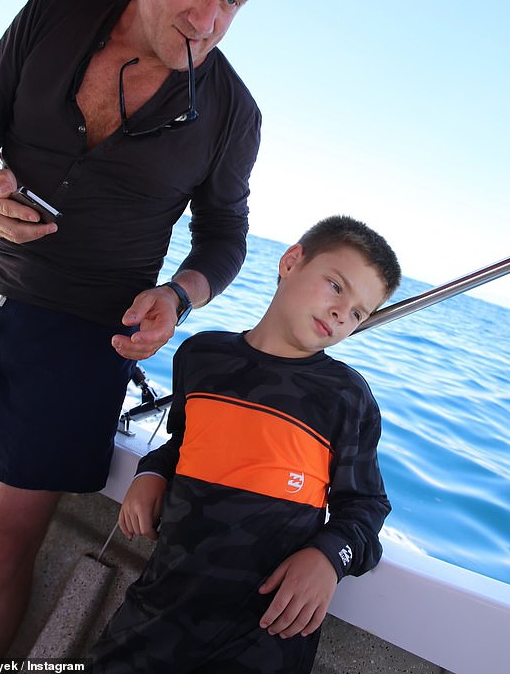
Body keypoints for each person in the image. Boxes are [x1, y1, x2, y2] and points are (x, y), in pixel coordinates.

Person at [0, 0, 268, 659]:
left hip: (85, 343)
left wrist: (178, 297)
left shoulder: (235, 115)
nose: (208, 20)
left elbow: (224, 238)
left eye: (233, 1)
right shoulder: (52, 11)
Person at [89, 214, 402, 674]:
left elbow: (366, 507)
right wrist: (152, 473)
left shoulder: (346, 397)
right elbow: (184, 443)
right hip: (158, 610)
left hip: (262, 638)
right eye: (336, 286)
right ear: (292, 261)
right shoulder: (201, 355)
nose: (342, 314)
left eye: (358, 312)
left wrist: (328, 558)